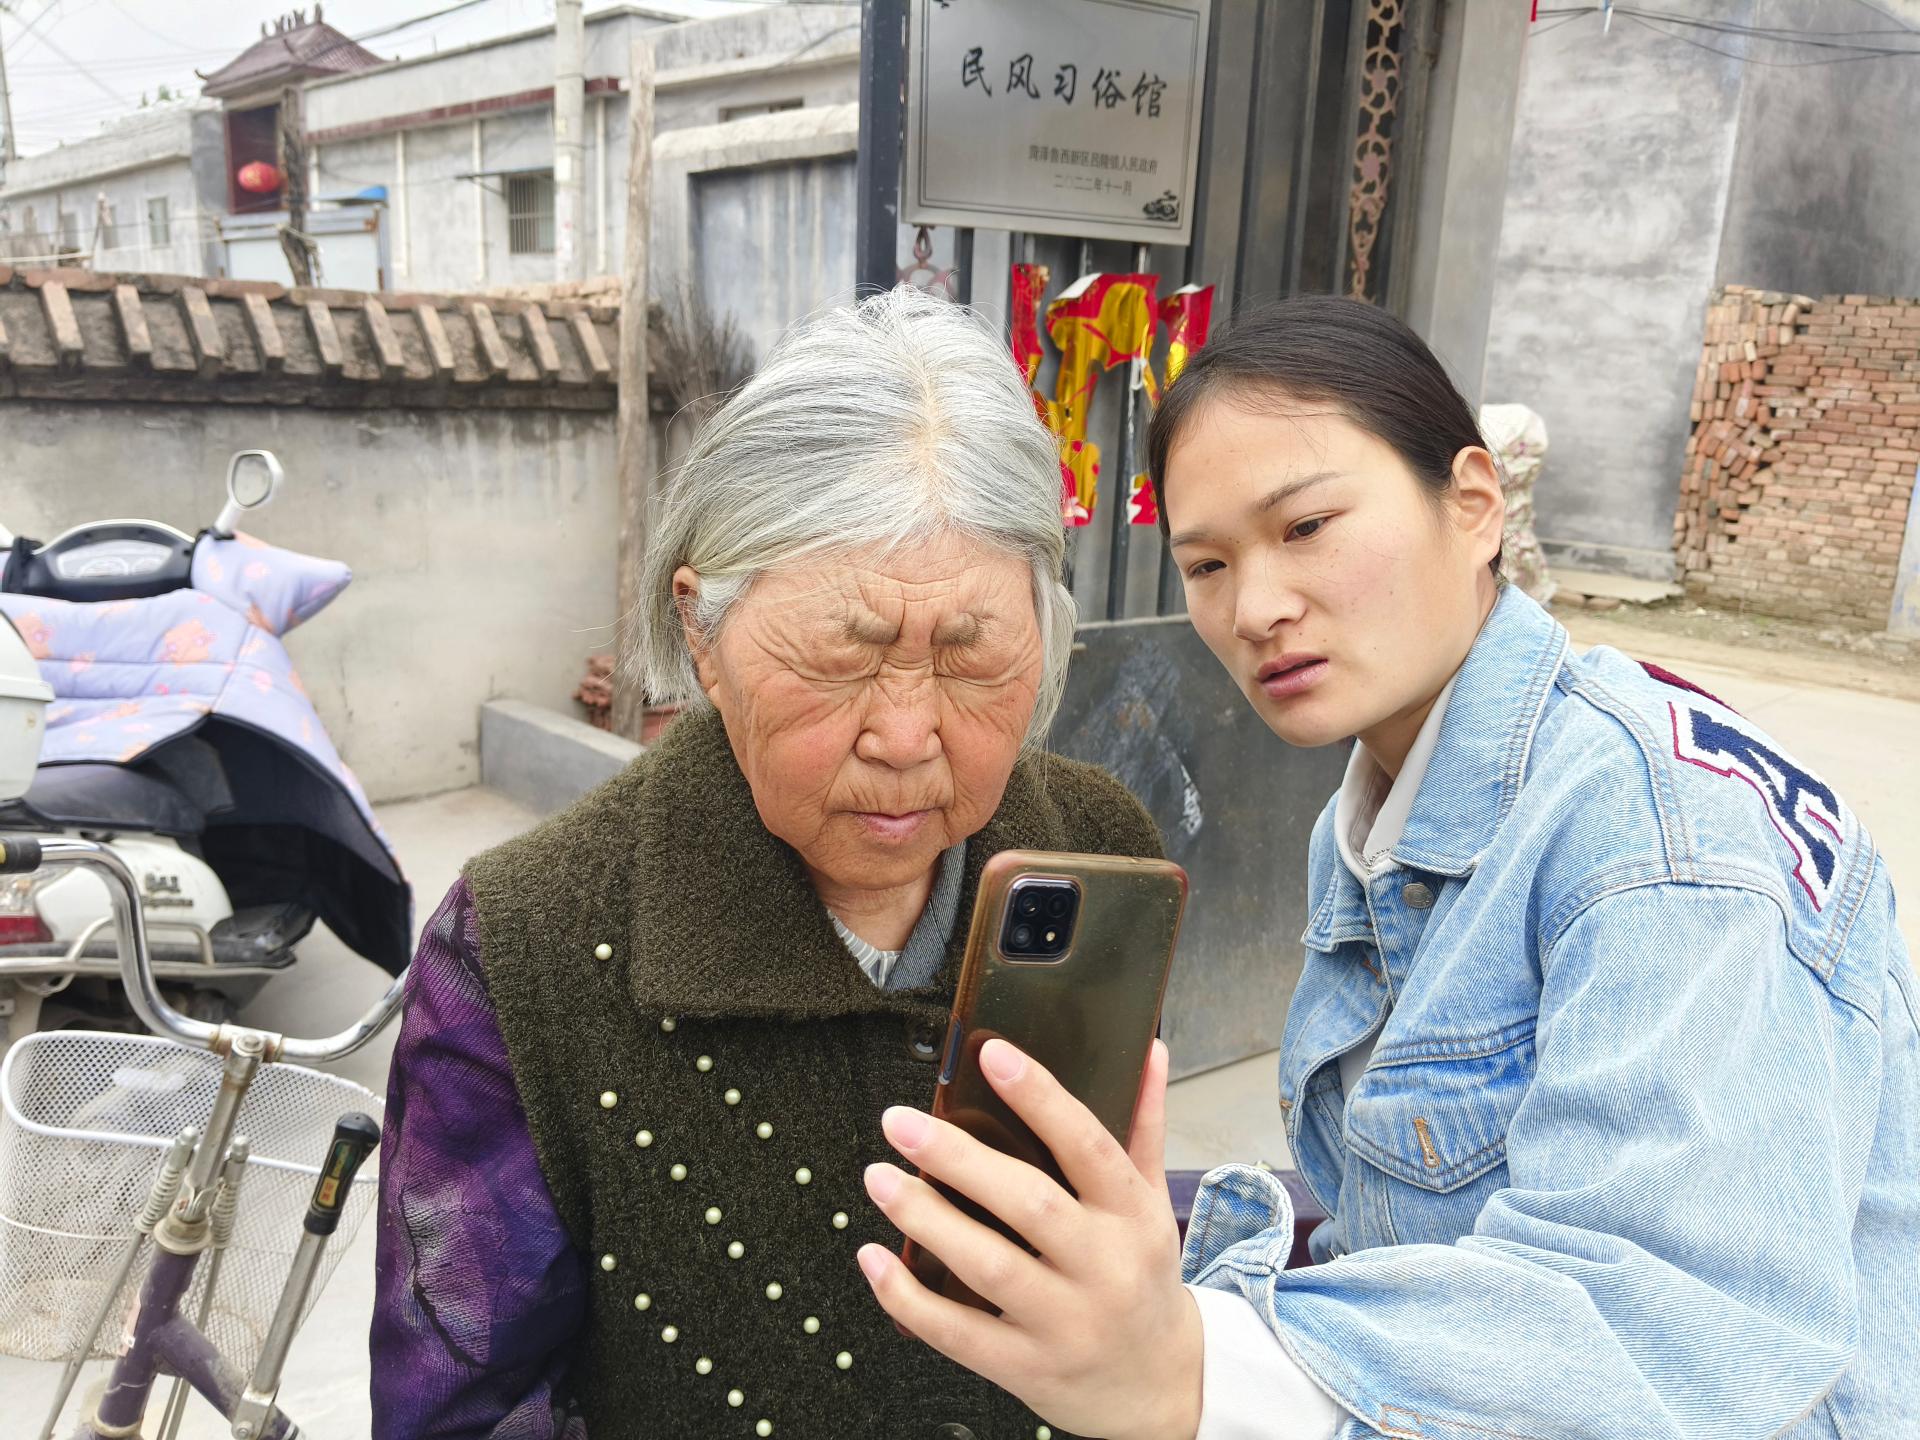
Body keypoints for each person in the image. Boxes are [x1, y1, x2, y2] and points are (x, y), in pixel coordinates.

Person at [859, 296, 1920, 1439]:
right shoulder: (1373, 816)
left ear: (1474, 505)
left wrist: (1192, 1371)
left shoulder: (1657, 838)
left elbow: (1665, 1327)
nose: (1256, 607)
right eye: (1207, 564)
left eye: (1307, 525)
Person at [369, 287, 1163, 1440]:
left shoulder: (1100, 854)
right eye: (845, 658)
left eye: (970, 655)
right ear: (703, 632)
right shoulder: (521, 945)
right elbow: (463, 1403)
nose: (906, 734)